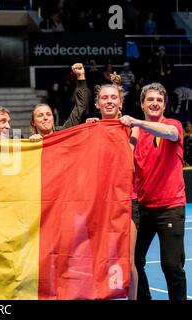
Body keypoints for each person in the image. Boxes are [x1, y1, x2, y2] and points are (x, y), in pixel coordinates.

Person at [119, 82, 187, 300]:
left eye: (159, 100)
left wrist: (137, 122)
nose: (155, 103)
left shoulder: (173, 124)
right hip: (143, 208)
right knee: (134, 262)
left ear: (165, 105)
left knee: (171, 266)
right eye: (150, 99)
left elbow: (169, 133)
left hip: (170, 207)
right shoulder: (134, 134)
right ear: (142, 103)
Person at [86, 73, 139, 300]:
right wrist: (92, 131)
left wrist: (118, 128)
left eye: (113, 98)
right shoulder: (89, 129)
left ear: (120, 102)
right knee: (96, 258)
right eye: (104, 98)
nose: (109, 101)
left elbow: (128, 161)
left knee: (128, 260)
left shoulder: (132, 128)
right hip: (98, 204)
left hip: (126, 201)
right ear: (97, 103)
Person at [28, 63, 88, 141]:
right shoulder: (29, 144)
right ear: (33, 122)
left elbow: (81, 105)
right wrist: (32, 144)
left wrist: (81, 76)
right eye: (40, 115)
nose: (45, 118)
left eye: (49, 114)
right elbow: (13, 150)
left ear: (53, 118)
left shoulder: (63, 133)